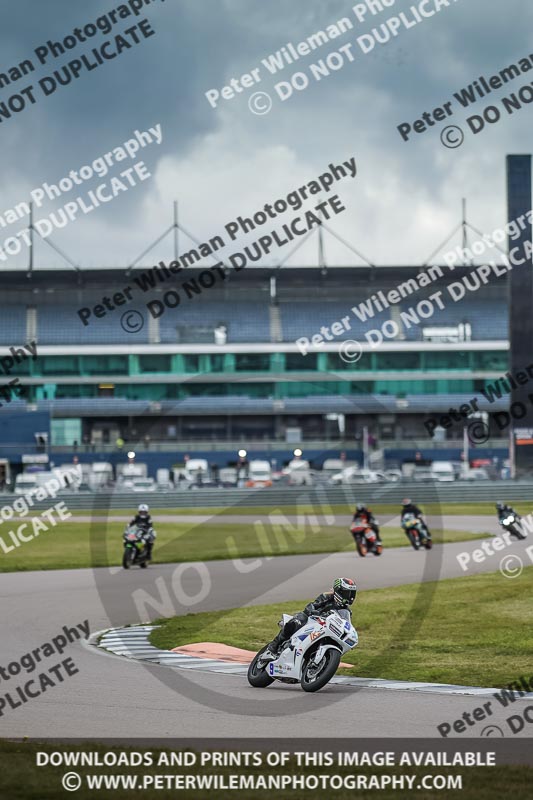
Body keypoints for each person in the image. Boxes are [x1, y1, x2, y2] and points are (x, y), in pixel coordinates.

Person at [265, 577, 357, 657]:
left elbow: (345, 624)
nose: (350, 597)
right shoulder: (326, 597)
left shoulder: (347, 611)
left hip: (324, 630)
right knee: (296, 622)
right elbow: (311, 606)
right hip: (311, 620)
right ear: (339, 591)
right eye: (347, 593)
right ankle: (272, 647)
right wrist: (314, 612)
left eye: (352, 594)